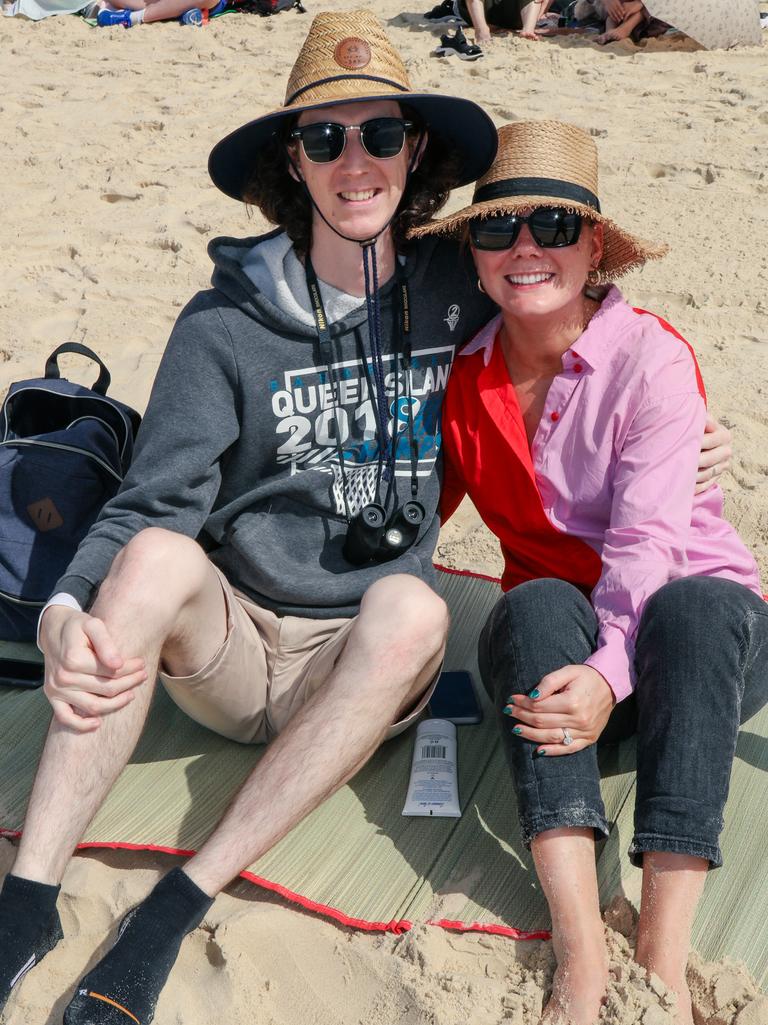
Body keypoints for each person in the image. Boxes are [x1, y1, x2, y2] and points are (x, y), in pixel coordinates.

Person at [0, 11, 499, 1024]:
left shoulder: (457, 285)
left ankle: (174, 906)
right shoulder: (224, 320)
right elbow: (153, 499)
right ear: (294, 161)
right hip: (232, 646)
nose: (355, 161)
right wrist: (62, 607)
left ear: (419, 151)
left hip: (359, 655)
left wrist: (684, 429)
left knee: (416, 609)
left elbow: (570, 303)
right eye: (325, 138)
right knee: (148, 555)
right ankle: (29, 896)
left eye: (380, 134)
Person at [412, 120, 765, 1025]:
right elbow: (410, 522)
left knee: (690, 602)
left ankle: (662, 953)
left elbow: (647, 546)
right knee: (530, 600)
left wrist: (614, 670)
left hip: (700, 658)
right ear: (477, 255)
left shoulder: (650, 357)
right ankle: (579, 951)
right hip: (563, 675)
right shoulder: (465, 380)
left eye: (554, 229)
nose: (525, 249)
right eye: (498, 231)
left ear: (594, 245)